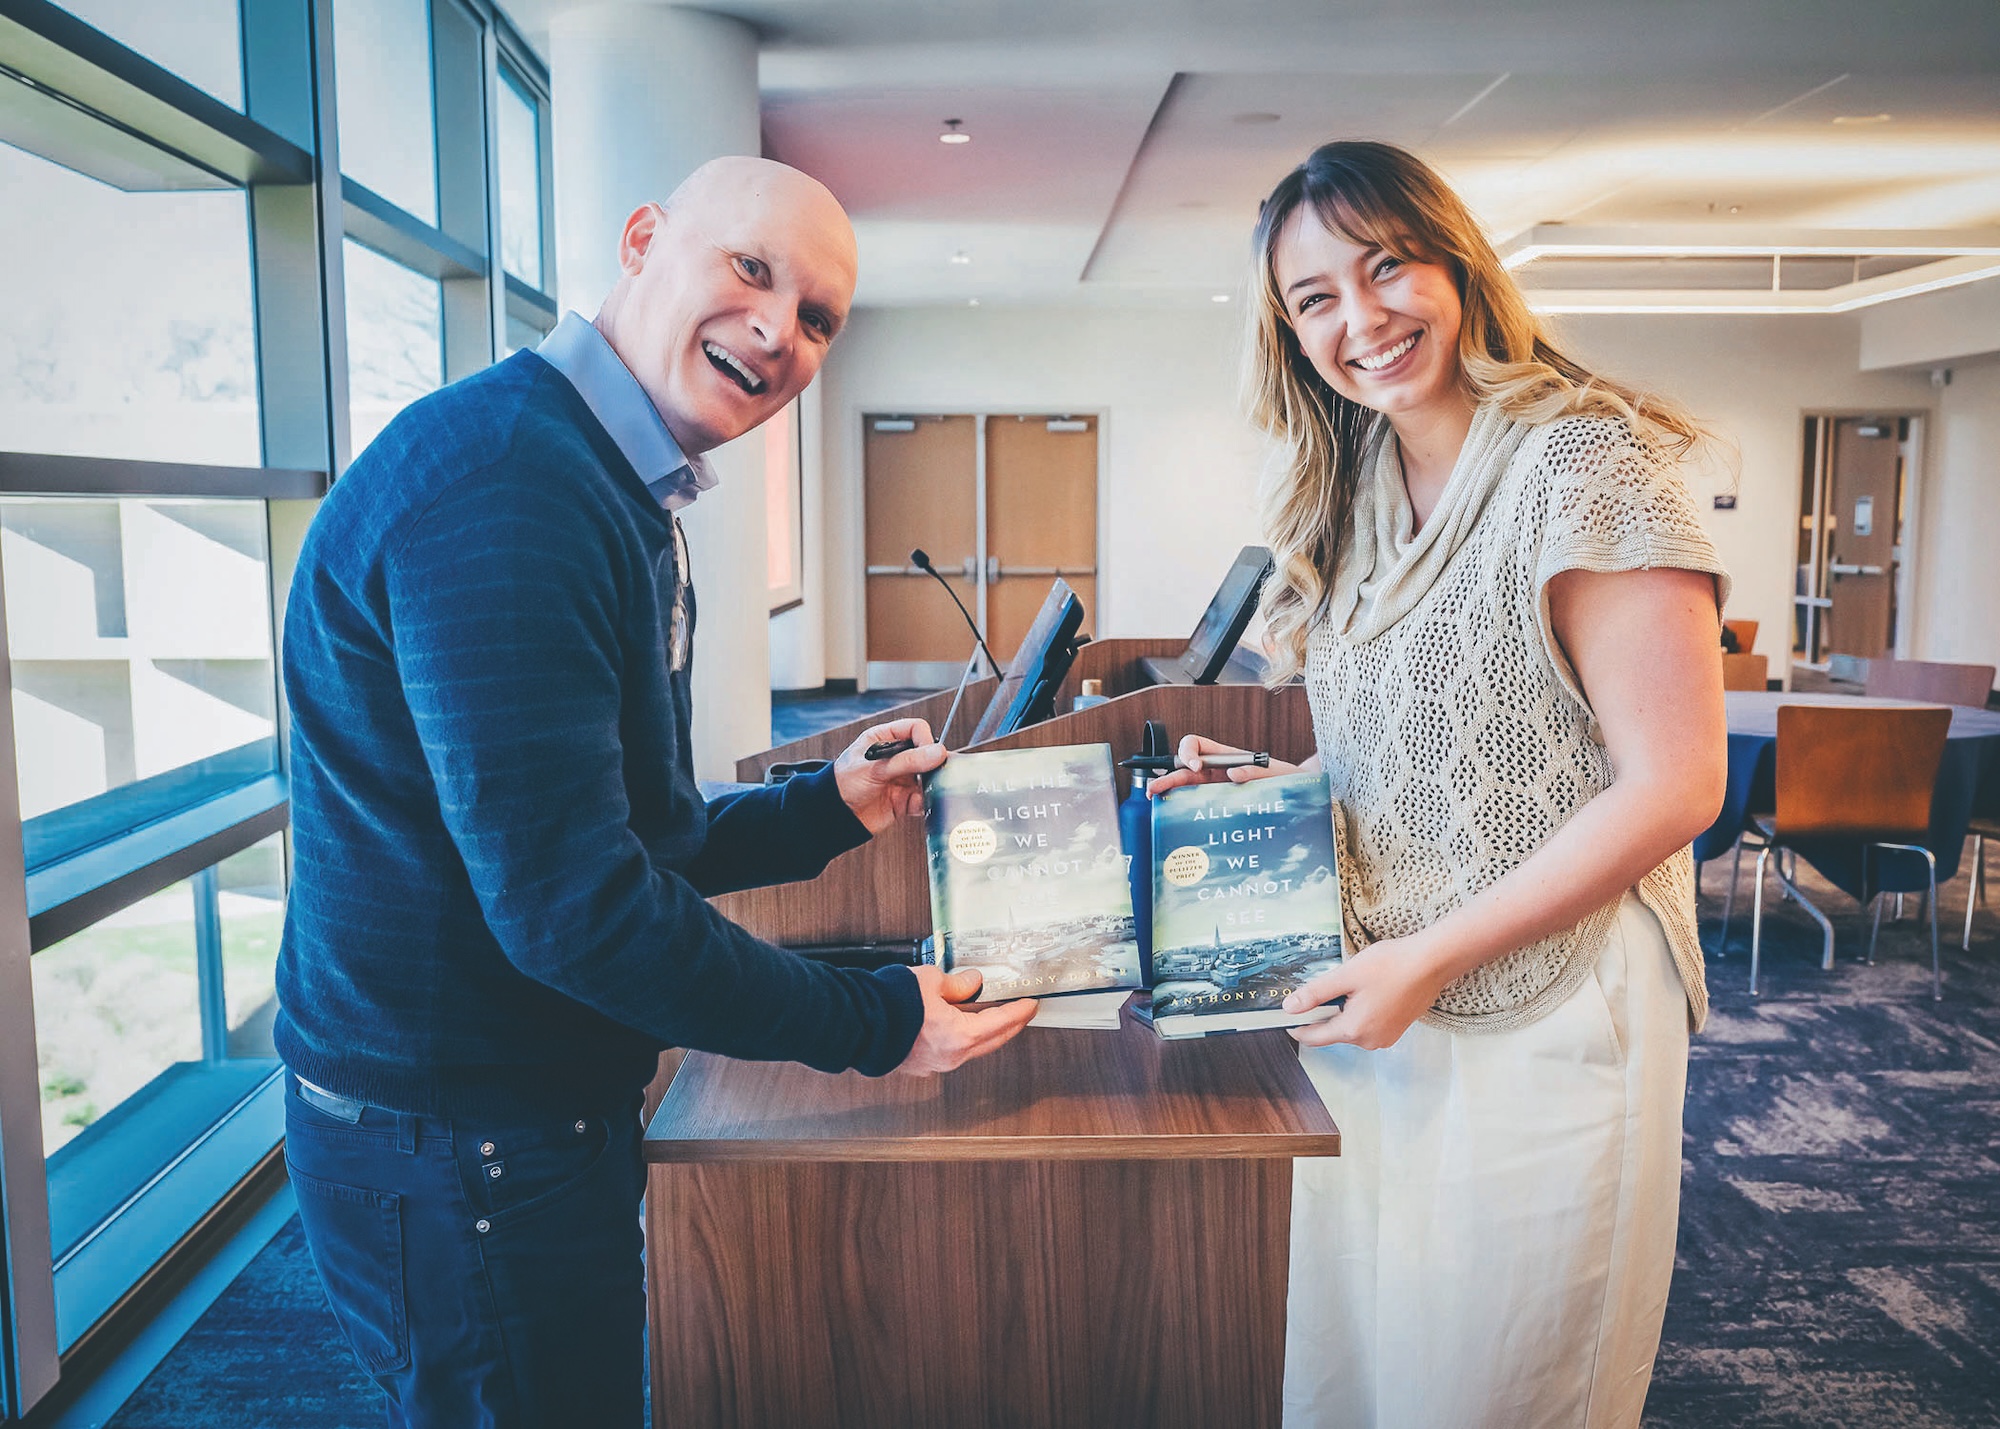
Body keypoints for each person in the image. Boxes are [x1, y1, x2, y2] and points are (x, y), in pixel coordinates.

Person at [274, 156, 1037, 1428]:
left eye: (814, 318)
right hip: (464, 1130)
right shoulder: (516, 488)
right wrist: (873, 1022)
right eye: (751, 269)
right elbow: (575, 909)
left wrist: (820, 806)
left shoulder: (596, 473)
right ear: (643, 240)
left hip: (492, 1111)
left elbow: (623, 831)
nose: (776, 331)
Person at [1150, 141, 1728, 1428]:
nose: (1358, 320)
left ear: (1452, 262)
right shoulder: (1348, 482)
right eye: (1313, 300)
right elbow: (1417, 747)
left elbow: (1677, 782)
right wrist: (1287, 781)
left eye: (1385, 266)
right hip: (1380, 993)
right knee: (1363, 1367)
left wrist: (1430, 956)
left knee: (1500, 1379)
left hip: (1549, 995)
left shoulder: (1582, 463)